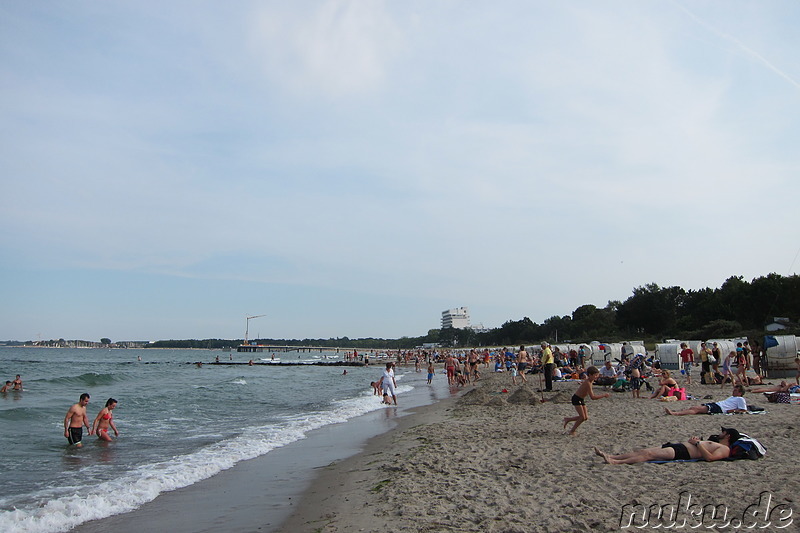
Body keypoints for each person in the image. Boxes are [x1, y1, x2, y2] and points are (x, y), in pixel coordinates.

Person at [594, 428, 741, 464]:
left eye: (724, 432)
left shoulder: (725, 449)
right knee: (644, 451)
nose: (721, 433)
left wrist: (697, 444)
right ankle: (612, 456)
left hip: (684, 453)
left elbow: (709, 458)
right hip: (681, 446)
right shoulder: (716, 441)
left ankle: (616, 462)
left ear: (728, 436)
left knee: (649, 456)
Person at [562, 366, 610, 436]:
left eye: (597, 375)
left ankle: (568, 419)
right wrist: (604, 395)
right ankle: (572, 431)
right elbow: (592, 397)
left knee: (585, 417)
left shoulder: (591, 381)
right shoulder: (588, 383)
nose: (596, 377)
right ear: (590, 375)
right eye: (595, 375)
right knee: (582, 417)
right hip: (576, 398)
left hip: (581, 399)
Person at [665, 385, 747, 415]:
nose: (733, 391)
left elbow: (743, 410)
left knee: (696, 410)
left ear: (740, 393)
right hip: (717, 405)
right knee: (694, 408)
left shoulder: (740, 399)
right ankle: (678, 412)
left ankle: (675, 413)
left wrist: (732, 411)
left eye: (735, 390)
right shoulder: (733, 397)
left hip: (720, 408)